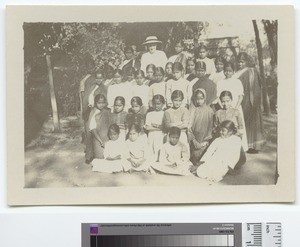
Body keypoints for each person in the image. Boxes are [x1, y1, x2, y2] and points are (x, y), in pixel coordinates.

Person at [232, 52, 266, 153]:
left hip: (251, 102)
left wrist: (255, 102)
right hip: (240, 100)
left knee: (252, 122)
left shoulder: (251, 71)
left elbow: (256, 87)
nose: (240, 64)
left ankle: (253, 145)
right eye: (238, 62)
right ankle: (244, 145)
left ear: (246, 62)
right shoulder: (237, 72)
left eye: (242, 62)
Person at [217, 62, 248, 150]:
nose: (227, 73)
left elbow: (240, 96)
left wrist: (235, 108)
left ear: (233, 71)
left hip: (235, 107)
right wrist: (223, 106)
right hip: (224, 107)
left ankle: (239, 148)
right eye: (226, 71)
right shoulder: (220, 82)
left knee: (236, 127)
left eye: (230, 71)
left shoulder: (237, 81)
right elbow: (218, 96)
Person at [188, 89, 214, 165]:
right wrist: (193, 140)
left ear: (205, 98)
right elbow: (189, 127)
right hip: (194, 140)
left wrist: (205, 141)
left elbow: (211, 127)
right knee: (193, 160)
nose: (199, 101)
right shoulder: (193, 110)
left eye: (201, 99)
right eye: (197, 99)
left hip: (204, 141)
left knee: (203, 160)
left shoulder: (210, 111)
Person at [89, 94, 112, 159]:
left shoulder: (107, 111)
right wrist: (101, 141)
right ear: (95, 103)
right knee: (100, 157)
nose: (101, 104)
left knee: (108, 156)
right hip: (98, 139)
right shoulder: (94, 113)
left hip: (107, 138)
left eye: (103, 103)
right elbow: (92, 129)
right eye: (99, 103)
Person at [145, 95, 166, 161]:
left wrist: (155, 126)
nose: (156, 106)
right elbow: (148, 127)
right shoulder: (150, 114)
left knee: (159, 149)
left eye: (158, 104)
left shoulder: (165, 113)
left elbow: (165, 127)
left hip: (161, 135)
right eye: (154, 104)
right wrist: (159, 127)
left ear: (163, 104)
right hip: (151, 135)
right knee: (151, 149)